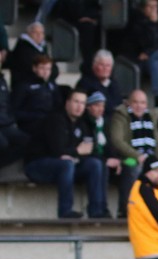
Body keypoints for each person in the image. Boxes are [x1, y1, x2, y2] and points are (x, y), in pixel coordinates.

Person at [23, 88, 107, 219]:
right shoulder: (56, 119)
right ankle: (65, 211)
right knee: (66, 164)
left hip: (67, 165)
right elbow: (58, 151)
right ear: (67, 103)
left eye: (83, 103)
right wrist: (77, 151)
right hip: (38, 166)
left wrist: (76, 153)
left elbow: (89, 149)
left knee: (95, 164)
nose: (79, 107)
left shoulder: (82, 123)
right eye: (76, 102)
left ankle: (96, 211)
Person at [111, 89, 158, 219]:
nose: (139, 106)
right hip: (130, 158)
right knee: (134, 168)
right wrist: (138, 156)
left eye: (142, 103)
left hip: (150, 159)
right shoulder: (120, 116)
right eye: (135, 102)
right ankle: (128, 209)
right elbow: (117, 140)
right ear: (128, 103)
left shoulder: (150, 117)